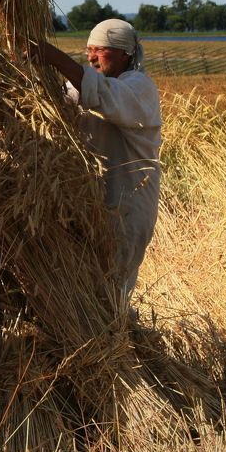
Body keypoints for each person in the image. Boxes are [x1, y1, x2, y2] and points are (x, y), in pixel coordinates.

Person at [26, 19, 161, 306]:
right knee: (90, 290)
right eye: (88, 50)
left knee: (111, 291)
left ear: (124, 53)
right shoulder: (97, 84)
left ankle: (118, 345)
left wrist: (51, 55)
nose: (90, 57)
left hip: (129, 206)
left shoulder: (139, 88)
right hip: (96, 204)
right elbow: (64, 97)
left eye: (99, 50)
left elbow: (101, 94)